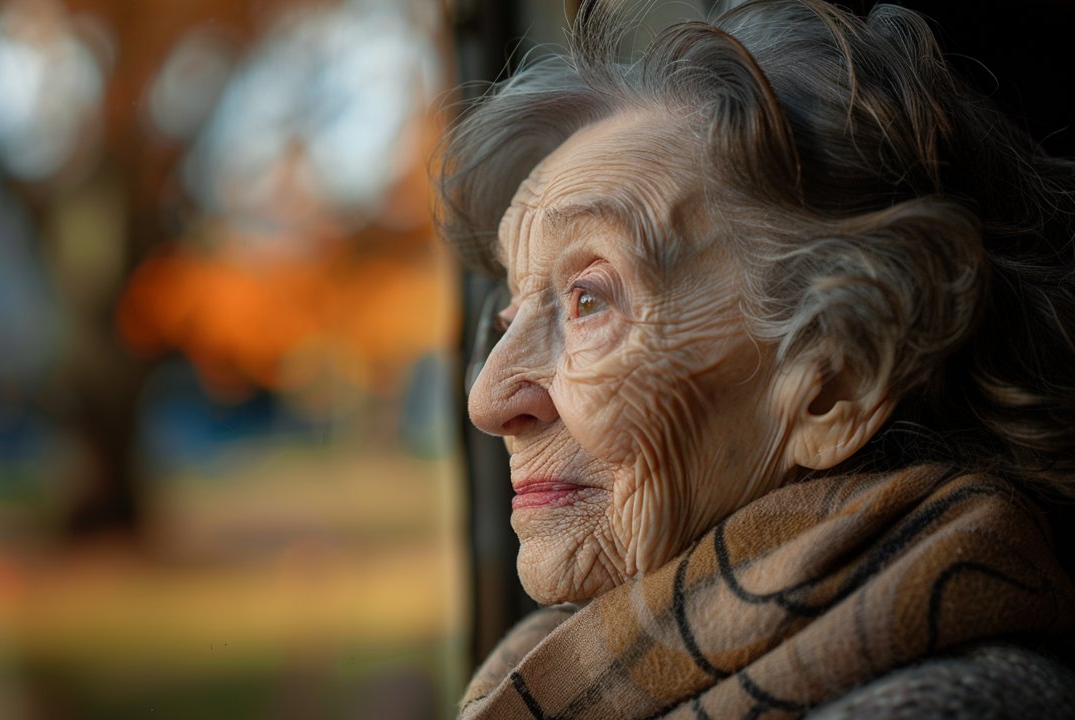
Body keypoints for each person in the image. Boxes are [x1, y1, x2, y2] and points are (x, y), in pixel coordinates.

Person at [435, 0, 1075, 716]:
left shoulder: (945, 702)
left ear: (839, 374)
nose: (489, 400)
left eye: (589, 299)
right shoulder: (562, 668)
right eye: (509, 319)